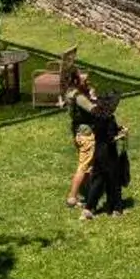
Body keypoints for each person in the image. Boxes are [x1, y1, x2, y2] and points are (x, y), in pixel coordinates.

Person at [79, 90, 128, 218]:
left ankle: (88, 208)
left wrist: (118, 128)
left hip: (98, 152)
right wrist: (122, 135)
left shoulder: (96, 115)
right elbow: (111, 138)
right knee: (114, 180)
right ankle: (116, 209)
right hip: (109, 153)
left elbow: (104, 132)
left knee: (98, 180)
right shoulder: (110, 118)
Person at [62, 68, 100, 210]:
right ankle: (72, 197)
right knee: (83, 166)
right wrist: (94, 97)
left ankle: (88, 191)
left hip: (78, 131)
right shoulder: (79, 97)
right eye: (85, 79)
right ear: (77, 80)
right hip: (86, 134)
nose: (87, 81)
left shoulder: (69, 92)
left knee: (88, 165)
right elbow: (94, 110)